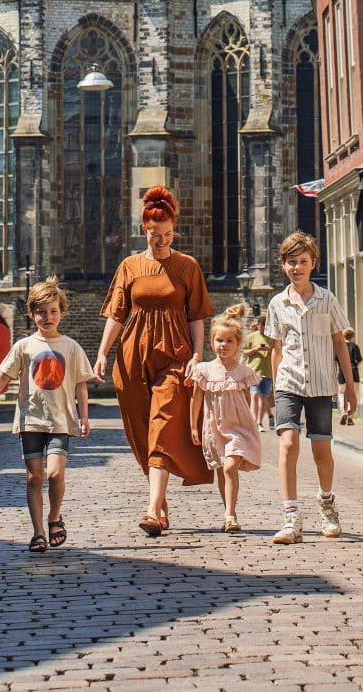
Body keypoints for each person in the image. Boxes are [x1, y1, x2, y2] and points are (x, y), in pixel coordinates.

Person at [93, 185, 214, 537]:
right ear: (143, 231)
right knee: (142, 431)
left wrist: (196, 356)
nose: (161, 240)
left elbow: (196, 316)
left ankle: (150, 509)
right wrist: (102, 353)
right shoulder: (129, 266)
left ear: (174, 231)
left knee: (163, 425)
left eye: (168, 234)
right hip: (133, 356)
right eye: (154, 234)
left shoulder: (187, 267)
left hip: (174, 356)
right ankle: (160, 502)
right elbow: (117, 314)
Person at [0, 277, 93, 553]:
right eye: (41, 312)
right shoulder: (24, 346)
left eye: (53, 311)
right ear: (32, 314)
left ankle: (54, 517)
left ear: (61, 312)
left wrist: (84, 417)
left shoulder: (71, 347)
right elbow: (3, 377)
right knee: (34, 477)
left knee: (54, 473)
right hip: (31, 421)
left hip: (61, 421)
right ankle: (38, 532)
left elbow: (80, 384)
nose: (47, 317)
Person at [264, 231, 357, 544]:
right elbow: (277, 349)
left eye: (303, 262)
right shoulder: (277, 303)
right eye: (291, 262)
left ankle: (327, 503)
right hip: (289, 382)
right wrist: (275, 388)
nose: (297, 267)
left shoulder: (326, 299)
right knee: (288, 443)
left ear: (313, 263)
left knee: (321, 451)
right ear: (283, 265)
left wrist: (350, 387)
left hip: (321, 384)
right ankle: (291, 516)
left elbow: (339, 344)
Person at [190, 304, 262, 533]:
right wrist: (193, 426)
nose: (224, 345)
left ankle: (230, 513)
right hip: (214, 427)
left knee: (230, 466)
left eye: (230, 341)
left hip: (238, 427)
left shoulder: (243, 372)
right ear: (212, 342)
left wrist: (249, 423)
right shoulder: (204, 370)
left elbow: (245, 400)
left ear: (238, 344)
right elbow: (196, 399)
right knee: (223, 469)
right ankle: (229, 513)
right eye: (219, 340)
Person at [242, 317, 275, 432]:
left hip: (268, 372)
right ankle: (254, 422)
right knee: (254, 395)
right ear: (258, 325)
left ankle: (259, 422)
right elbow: (244, 353)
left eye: (265, 326)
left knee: (263, 399)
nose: (263, 328)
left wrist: (268, 349)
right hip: (254, 371)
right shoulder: (251, 336)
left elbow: (278, 353)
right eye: (262, 326)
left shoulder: (272, 338)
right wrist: (256, 349)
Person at [336, 327, 362, 425]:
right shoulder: (355, 347)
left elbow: (336, 359)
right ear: (352, 336)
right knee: (353, 394)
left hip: (342, 373)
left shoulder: (340, 347)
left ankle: (343, 412)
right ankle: (350, 417)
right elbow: (358, 360)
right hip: (354, 373)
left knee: (342, 393)